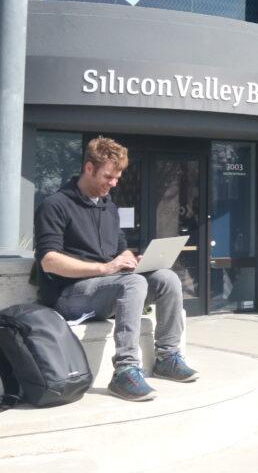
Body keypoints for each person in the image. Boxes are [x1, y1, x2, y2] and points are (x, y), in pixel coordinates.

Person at [35, 136, 197, 402]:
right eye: (108, 177)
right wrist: (105, 268)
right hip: (67, 295)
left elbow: (120, 248)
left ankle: (167, 357)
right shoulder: (55, 205)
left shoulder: (107, 206)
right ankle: (125, 370)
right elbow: (49, 260)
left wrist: (133, 260)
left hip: (106, 288)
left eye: (117, 178)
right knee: (133, 284)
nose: (113, 184)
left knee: (166, 277)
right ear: (89, 168)